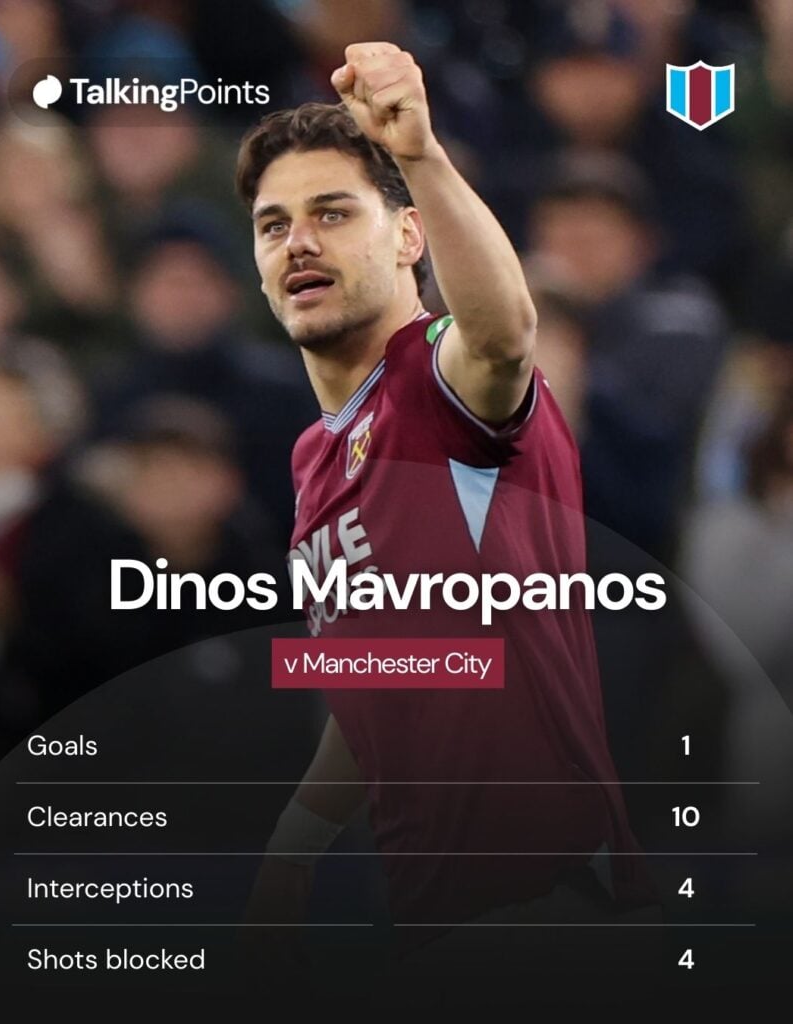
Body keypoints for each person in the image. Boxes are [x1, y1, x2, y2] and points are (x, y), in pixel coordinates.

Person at [235, 42, 653, 973]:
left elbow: (504, 334)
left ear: (406, 238)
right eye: (272, 226)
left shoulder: (436, 376)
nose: (296, 241)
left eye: (332, 213)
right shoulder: (314, 455)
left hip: (546, 905)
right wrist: (296, 845)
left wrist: (419, 153)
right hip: (440, 914)